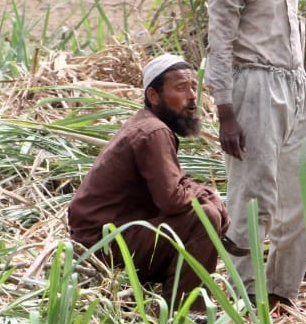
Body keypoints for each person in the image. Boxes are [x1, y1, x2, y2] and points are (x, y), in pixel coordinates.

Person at [207, 0, 306, 310]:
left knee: (304, 198)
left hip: (296, 86)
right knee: (254, 198)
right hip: (253, 88)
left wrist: (301, 87)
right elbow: (218, 46)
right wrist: (225, 112)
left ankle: (280, 292)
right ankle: (244, 296)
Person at [68, 54, 241, 308]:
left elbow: (171, 189)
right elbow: (172, 200)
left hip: (105, 240)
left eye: (194, 86)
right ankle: (184, 312)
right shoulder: (154, 131)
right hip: (104, 246)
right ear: (153, 96)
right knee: (205, 217)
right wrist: (208, 196)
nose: (192, 96)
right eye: (180, 88)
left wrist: (204, 194)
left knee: (204, 210)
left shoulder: (148, 126)